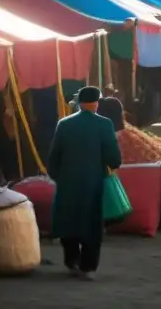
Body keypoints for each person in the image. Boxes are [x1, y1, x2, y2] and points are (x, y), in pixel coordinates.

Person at [47, 86, 122, 281]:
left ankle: (72, 261)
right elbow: (114, 159)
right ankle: (88, 267)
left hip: (67, 184)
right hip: (93, 184)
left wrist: (59, 177)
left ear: (79, 103)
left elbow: (53, 158)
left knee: (68, 221)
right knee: (91, 225)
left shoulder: (64, 124)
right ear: (96, 103)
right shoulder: (105, 125)